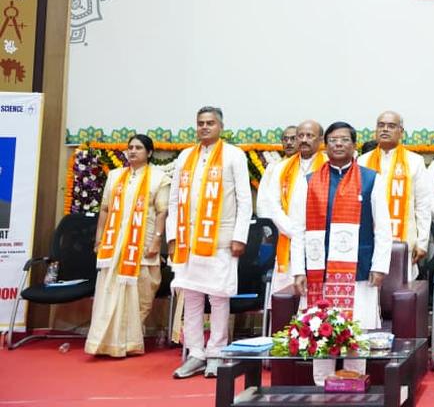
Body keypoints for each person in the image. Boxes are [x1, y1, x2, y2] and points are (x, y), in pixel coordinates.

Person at [167, 107, 252, 379]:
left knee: (218, 297)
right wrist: (172, 237)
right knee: (191, 297)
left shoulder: (234, 155)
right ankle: (196, 353)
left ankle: (216, 352)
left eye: (210, 123)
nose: (204, 127)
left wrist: (239, 236)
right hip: (187, 241)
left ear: (220, 127)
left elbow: (244, 200)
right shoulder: (185, 156)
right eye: (201, 123)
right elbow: (173, 200)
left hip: (220, 240)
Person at [290, 122, 392, 329]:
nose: (338, 144)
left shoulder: (371, 179)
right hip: (319, 269)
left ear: (354, 145)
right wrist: (299, 270)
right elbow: (298, 230)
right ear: (325, 145)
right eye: (333, 140)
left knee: (359, 331)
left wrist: (379, 266)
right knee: (319, 332)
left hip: (360, 269)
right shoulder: (308, 181)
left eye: (344, 140)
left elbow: (383, 229)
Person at [86, 134, 169, 357]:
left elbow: (162, 212)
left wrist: (157, 240)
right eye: (130, 147)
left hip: (142, 241)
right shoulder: (114, 176)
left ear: (149, 153)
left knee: (142, 289)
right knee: (110, 289)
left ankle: (129, 341)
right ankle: (105, 342)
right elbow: (105, 209)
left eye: (138, 148)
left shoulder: (159, 178)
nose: (132, 151)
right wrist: (99, 239)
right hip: (114, 243)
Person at [360, 111, 433, 279]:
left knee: (399, 287)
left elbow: (423, 205)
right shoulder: (362, 161)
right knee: (369, 286)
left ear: (401, 132)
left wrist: (422, 242)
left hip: (404, 240)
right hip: (368, 240)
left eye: (391, 126)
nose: (385, 129)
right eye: (381, 125)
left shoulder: (415, 161)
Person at [257, 121, 314, 296]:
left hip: (313, 234)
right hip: (283, 233)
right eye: (285, 139)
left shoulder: (320, 164)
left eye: (293, 138)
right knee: (284, 292)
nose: (289, 143)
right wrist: (290, 229)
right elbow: (266, 203)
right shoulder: (276, 168)